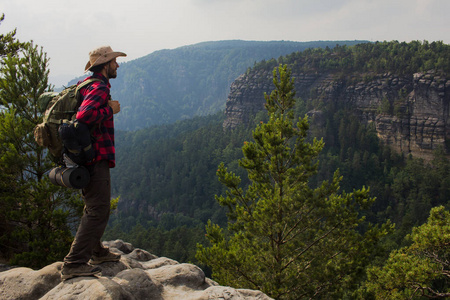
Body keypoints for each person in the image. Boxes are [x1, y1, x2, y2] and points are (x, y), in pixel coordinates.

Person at [61, 46, 126, 280]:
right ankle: (74, 263)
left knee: (93, 206)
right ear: (105, 65)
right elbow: (84, 116)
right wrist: (110, 110)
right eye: (114, 61)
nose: (117, 65)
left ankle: (97, 251)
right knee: (99, 209)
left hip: (86, 155)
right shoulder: (99, 87)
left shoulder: (87, 84)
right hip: (95, 156)